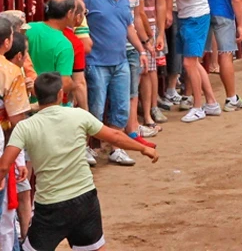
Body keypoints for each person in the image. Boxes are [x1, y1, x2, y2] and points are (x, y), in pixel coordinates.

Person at [0, 73, 156, 251]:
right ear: (60, 94)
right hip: (85, 200)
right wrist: (143, 148)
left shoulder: (25, 127)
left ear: (35, 93)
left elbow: (4, 166)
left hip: (51, 205)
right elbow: (115, 136)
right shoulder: (79, 116)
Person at [83, 0, 146, 166]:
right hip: (97, 62)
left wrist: (141, 50)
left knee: (121, 106)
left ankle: (116, 148)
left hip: (120, 61)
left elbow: (128, 27)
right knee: (96, 108)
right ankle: (88, 147)